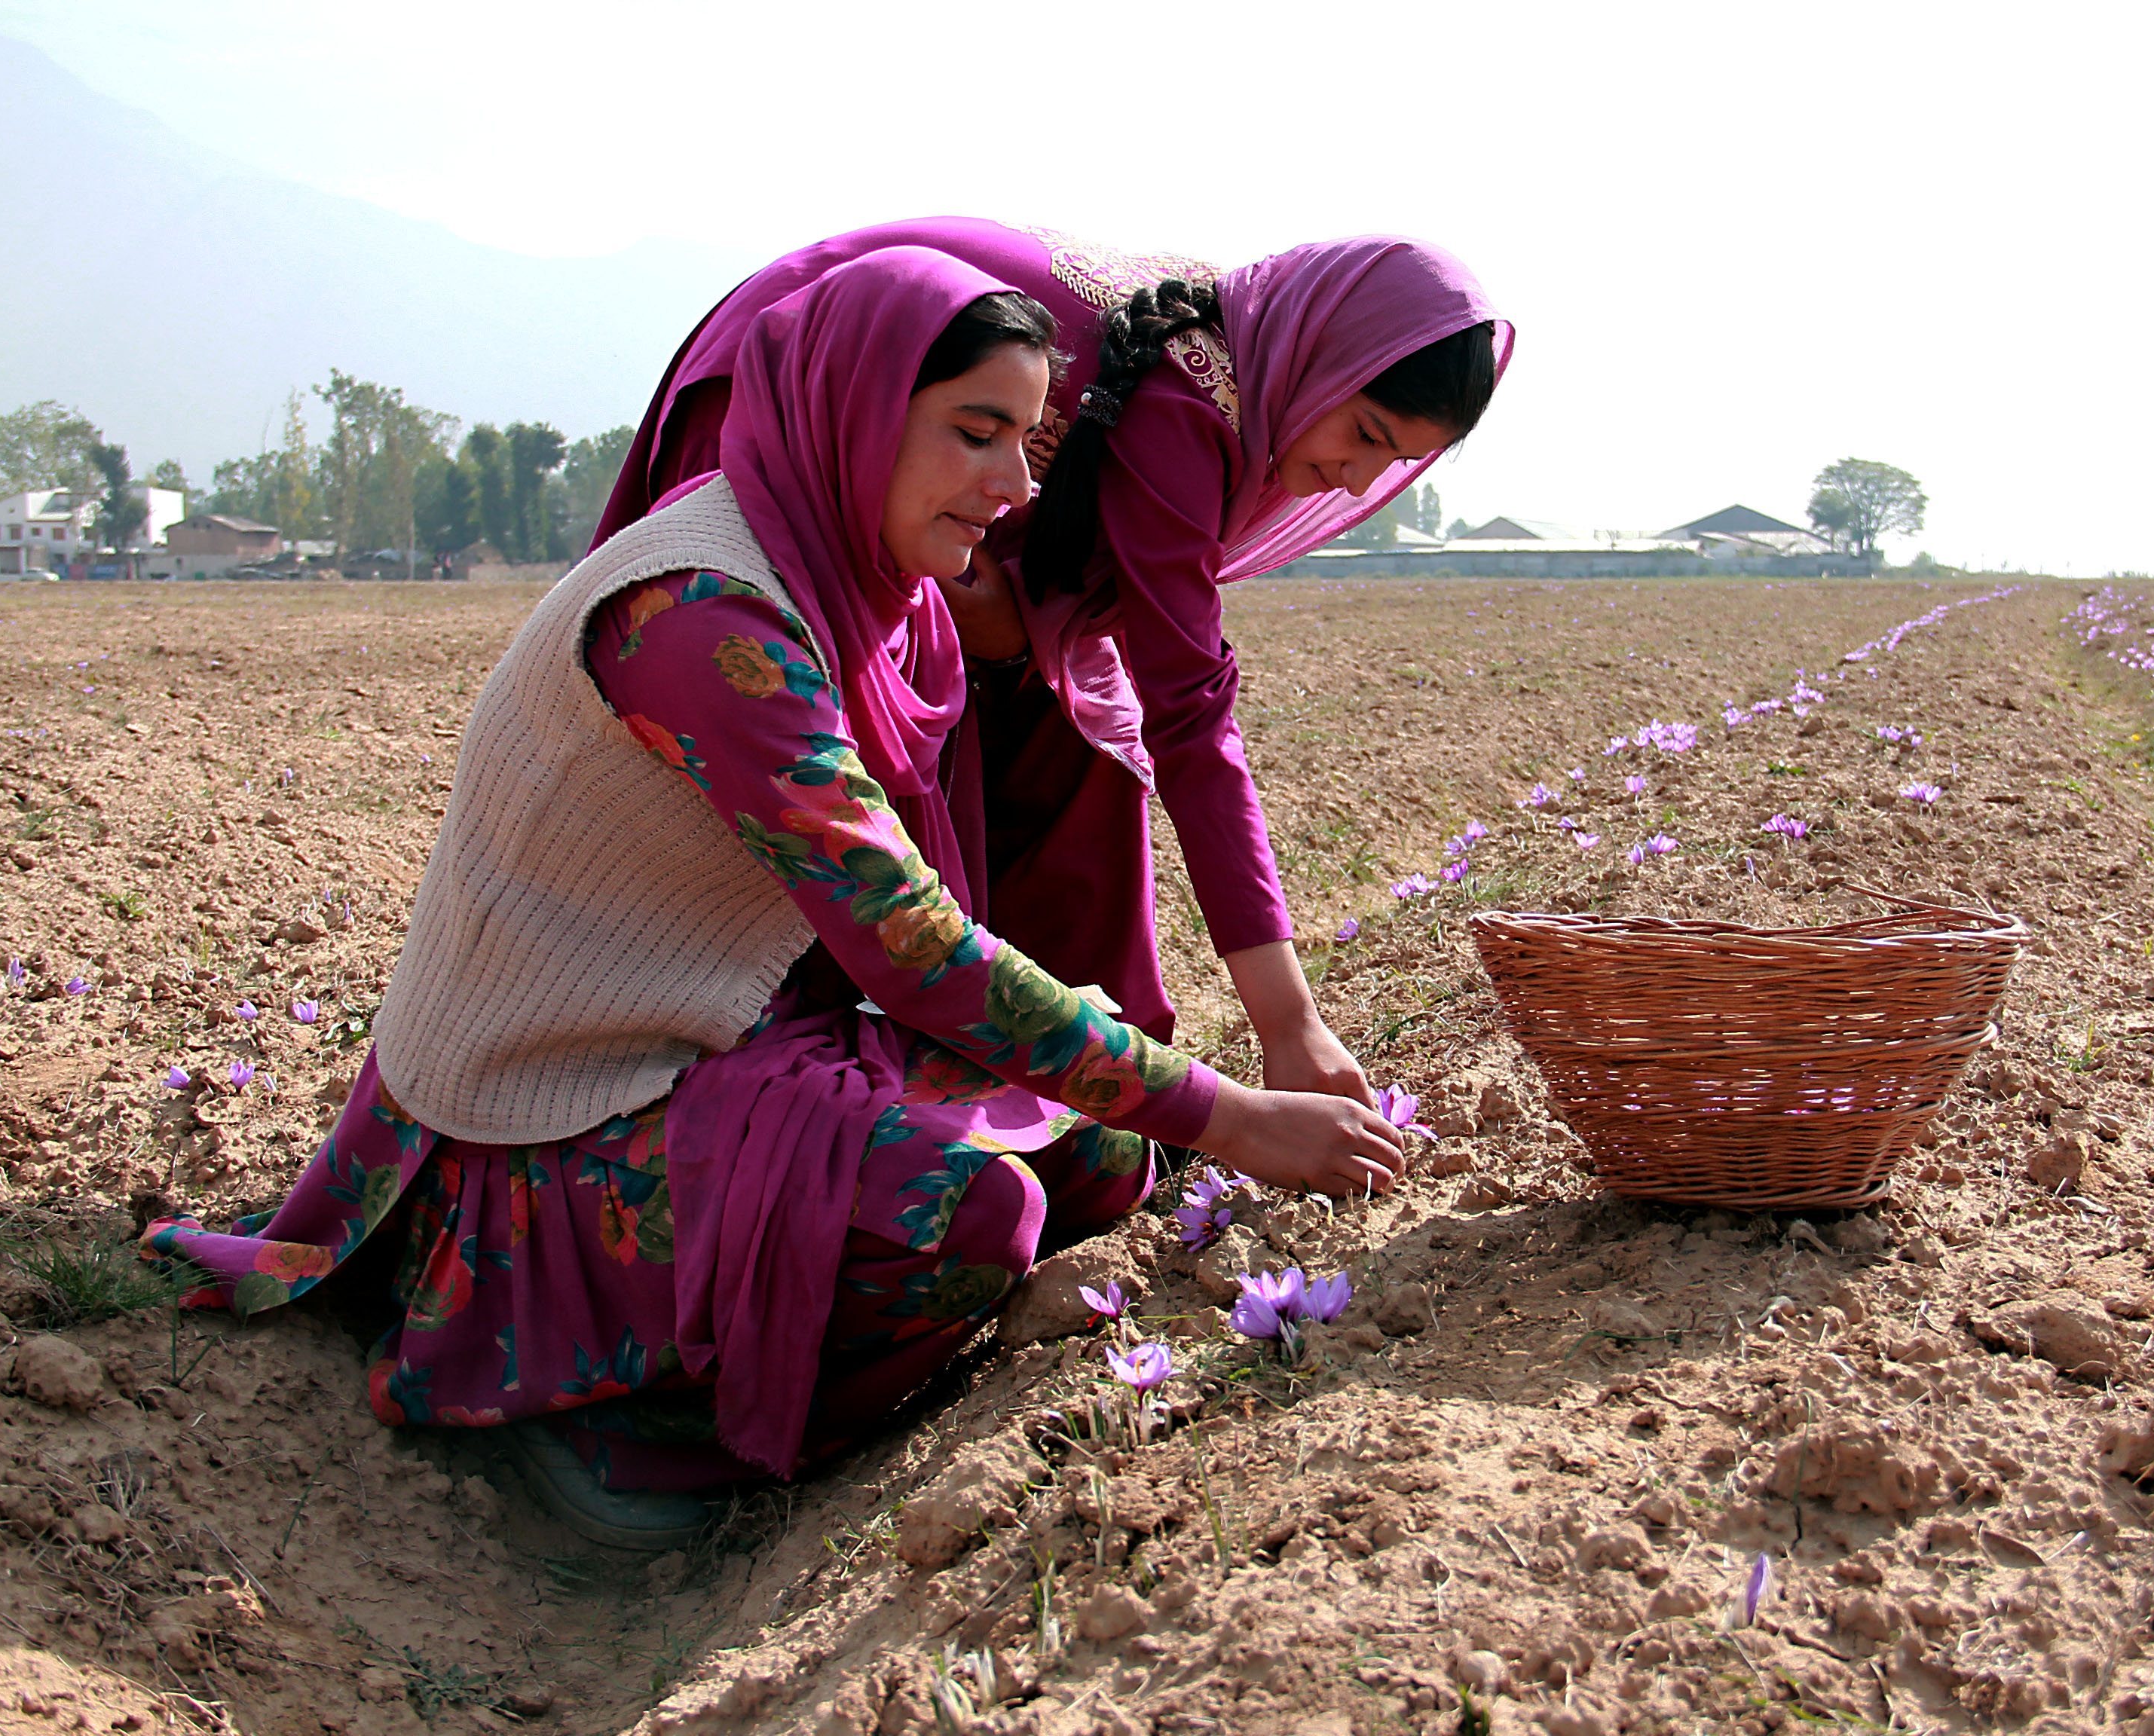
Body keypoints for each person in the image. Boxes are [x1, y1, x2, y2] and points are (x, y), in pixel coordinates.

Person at [143, 248, 1404, 1548]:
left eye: (1028, 441)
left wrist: (1164, 1098)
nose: (1012, 488)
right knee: (975, 1211)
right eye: (975, 434)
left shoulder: (873, 591)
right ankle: (614, 1421)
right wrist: (1232, 1108)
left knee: (1098, 1146)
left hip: (718, 1028)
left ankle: (745, 1348)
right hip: (551, 1102)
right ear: (855, 410)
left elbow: (926, 935)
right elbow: (914, 946)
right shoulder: (706, 616)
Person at [595, 219, 1510, 1117]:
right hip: (784, 397)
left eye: (1393, 460)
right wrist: (1289, 1025)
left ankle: (1063, 1066)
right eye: (1366, 432)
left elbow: (1078, 622)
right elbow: (1188, 711)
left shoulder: (1251, 369)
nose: (1357, 478)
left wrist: (1019, 623)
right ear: (1326, 356)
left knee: (1067, 736)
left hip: (938, 511)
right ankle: (776, 1057)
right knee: (812, 772)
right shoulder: (1189, 407)